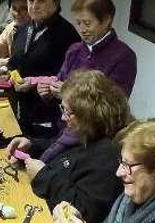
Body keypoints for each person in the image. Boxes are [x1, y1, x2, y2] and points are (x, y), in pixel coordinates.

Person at [7, 69, 130, 223]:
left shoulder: (107, 156)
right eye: (62, 109)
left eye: (68, 112)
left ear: (90, 115)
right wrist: (32, 146)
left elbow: (85, 211)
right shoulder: (84, 132)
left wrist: (43, 176)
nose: (63, 117)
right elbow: (62, 151)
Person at [35, 0, 137, 160]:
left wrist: (68, 94)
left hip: (94, 142)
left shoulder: (124, 56)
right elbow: (60, 85)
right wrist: (48, 92)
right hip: (63, 132)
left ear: (106, 20)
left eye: (88, 23)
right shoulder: (74, 50)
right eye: (78, 23)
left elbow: (114, 109)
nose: (82, 29)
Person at [6, 0, 80, 137]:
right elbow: (14, 63)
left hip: (50, 116)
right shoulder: (23, 28)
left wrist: (35, 83)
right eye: (31, 1)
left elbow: (71, 80)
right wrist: (16, 79)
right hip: (21, 110)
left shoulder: (68, 35)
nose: (34, 6)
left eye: (41, 1)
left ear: (56, 3)